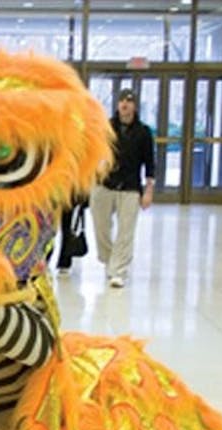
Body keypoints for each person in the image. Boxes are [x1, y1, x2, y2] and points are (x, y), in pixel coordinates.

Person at [89, 88, 155, 288]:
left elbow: (150, 163)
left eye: (129, 101)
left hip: (130, 187)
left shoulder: (143, 132)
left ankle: (118, 270)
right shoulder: (107, 127)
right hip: (104, 184)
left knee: (126, 231)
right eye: (121, 101)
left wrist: (148, 191)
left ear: (135, 106)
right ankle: (109, 260)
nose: (124, 105)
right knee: (101, 227)